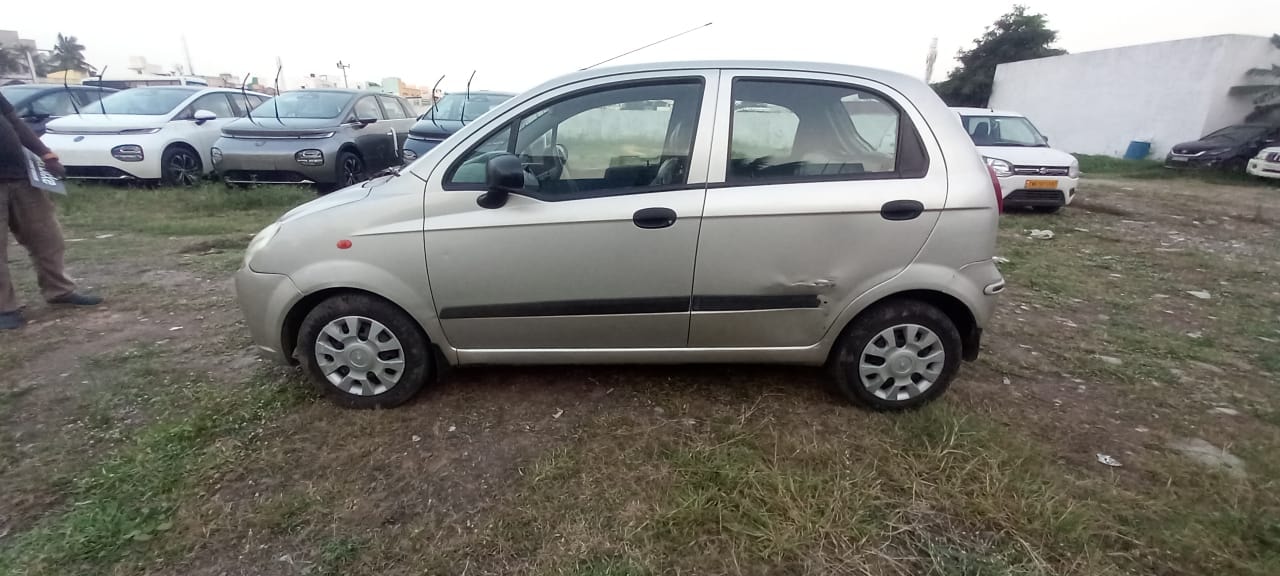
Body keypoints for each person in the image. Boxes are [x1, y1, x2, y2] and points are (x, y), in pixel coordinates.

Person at [0, 91, 101, 330]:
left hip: (21, 175)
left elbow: (15, 121)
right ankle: (4, 307)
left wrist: (45, 154)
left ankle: (60, 290)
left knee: (47, 236)